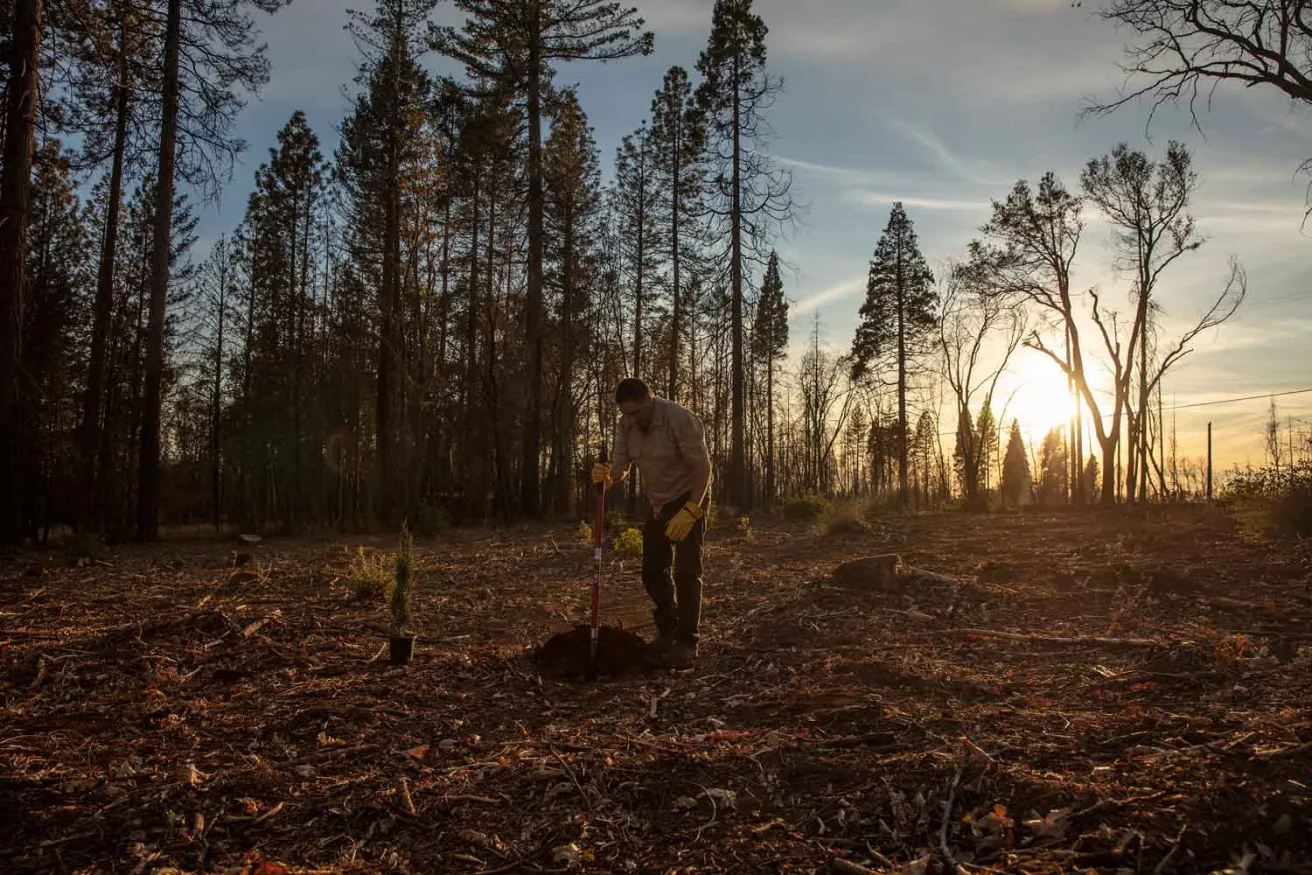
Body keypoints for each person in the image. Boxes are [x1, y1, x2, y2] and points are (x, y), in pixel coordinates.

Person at [592, 378, 712, 668]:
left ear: (651, 400)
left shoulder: (680, 419)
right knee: (652, 570)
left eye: (637, 412)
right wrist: (607, 477)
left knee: (686, 572)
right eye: (626, 414)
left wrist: (692, 510)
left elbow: (703, 468)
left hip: (688, 496)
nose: (632, 419)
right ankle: (668, 630)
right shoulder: (626, 426)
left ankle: (686, 641)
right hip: (657, 501)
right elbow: (621, 468)